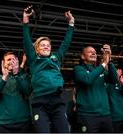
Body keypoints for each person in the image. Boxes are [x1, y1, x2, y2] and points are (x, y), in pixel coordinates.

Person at [22, 5, 75, 133]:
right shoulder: (34, 60)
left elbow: (65, 43)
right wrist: (25, 22)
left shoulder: (56, 57)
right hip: (40, 102)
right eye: (42, 45)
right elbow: (27, 41)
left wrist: (71, 23)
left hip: (57, 100)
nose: (46, 47)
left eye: (48, 45)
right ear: (37, 49)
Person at [74, 44, 118, 132]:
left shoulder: (100, 70)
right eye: (90, 52)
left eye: (95, 52)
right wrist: (103, 64)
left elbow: (114, 80)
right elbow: (88, 80)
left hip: (105, 114)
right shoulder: (78, 69)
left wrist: (109, 60)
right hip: (88, 116)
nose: (93, 53)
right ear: (82, 56)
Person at [0, 52, 32, 133]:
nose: (12, 61)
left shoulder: (24, 76)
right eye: (9, 59)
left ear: (17, 62)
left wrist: (16, 75)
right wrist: (4, 77)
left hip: (24, 124)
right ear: (3, 63)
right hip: (3, 125)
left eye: (14, 59)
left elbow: (28, 91)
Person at [107, 68, 123, 132]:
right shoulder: (108, 85)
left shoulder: (120, 84)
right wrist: (115, 78)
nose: (118, 75)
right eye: (116, 74)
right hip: (114, 119)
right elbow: (108, 92)